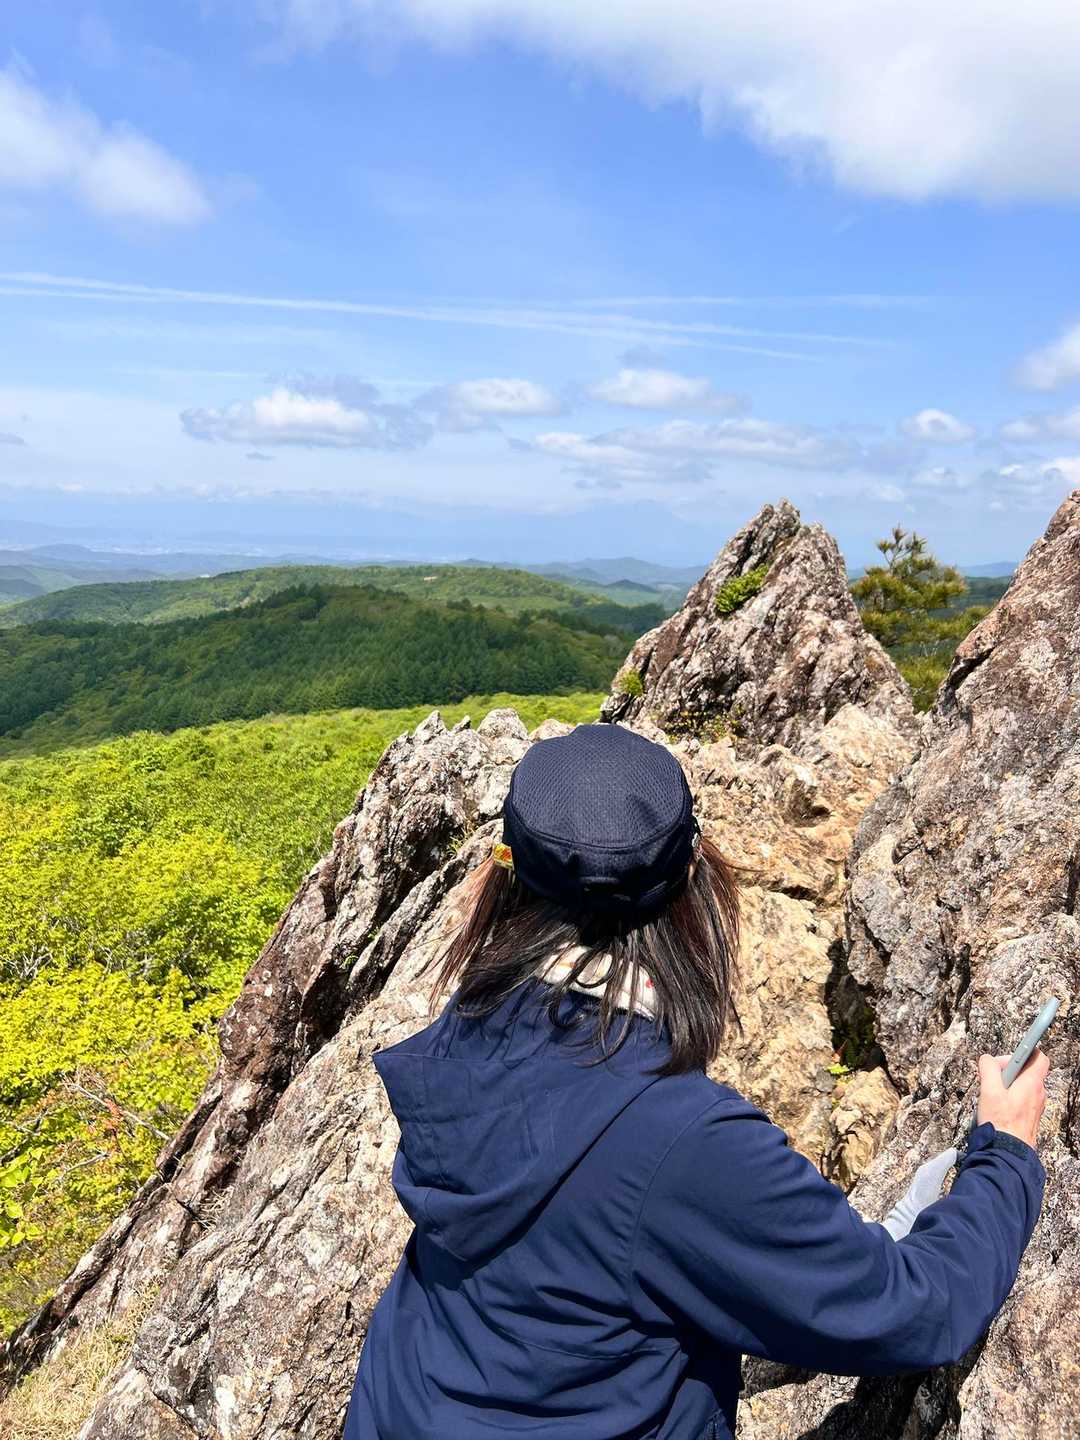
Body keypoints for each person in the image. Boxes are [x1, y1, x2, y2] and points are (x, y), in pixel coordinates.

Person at [344, 723, 1047, 1440]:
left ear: (509, 881)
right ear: (691, 886)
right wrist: (1006, 1156)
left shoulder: (474, 1027)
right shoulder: (681, 1141)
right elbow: (912, 1311)